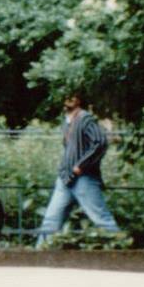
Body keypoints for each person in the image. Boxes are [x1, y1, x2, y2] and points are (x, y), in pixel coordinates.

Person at [34, 92, 121, 246]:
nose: (67, 100)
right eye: (65, 96)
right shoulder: (66, 121)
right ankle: (38, 257)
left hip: (84, 178)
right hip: (65, 178)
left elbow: (100, 142)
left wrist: (81, 165)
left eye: (72, 97)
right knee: (51, 220)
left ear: (79, 100)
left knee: (101, 219)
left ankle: (122, 252)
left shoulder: (85, 118)